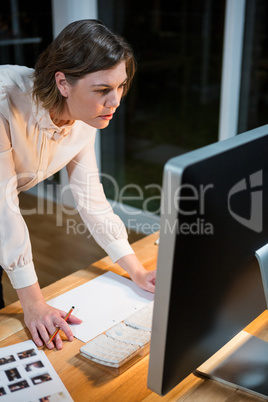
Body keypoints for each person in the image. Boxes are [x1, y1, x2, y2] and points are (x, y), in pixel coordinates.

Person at [0, 19, 156, 350]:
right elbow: (3, 208)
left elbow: (91, 201)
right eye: (102, 90)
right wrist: (33, 304)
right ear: (63, 83)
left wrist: (137, 271)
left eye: (121, 87)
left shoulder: (84, 117)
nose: (115, 102)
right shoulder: (3, 103)